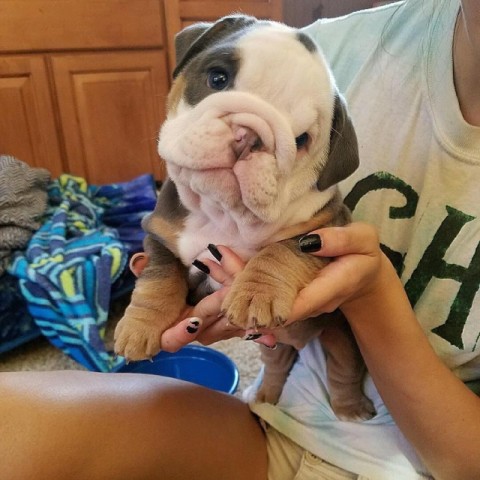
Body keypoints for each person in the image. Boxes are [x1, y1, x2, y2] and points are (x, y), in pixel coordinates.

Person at [1, 0, 480, 478]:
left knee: (335, 356)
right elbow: (164, 246)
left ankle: (338, 392)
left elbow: (317, 238)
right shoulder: (333, 46)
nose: (243, 137)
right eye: (218, 79)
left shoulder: (322, 172)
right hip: (271, 424)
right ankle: (273, 377)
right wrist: (158, 300)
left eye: (298, 139)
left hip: (420, 456)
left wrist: (363, 295)